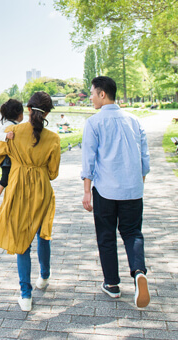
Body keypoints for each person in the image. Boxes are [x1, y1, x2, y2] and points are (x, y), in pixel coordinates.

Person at [81, 76, 150, 308]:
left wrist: (86, 192)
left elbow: (88, 160)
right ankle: (139, 272)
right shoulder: (134, 120)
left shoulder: (94, 123)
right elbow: (145, 159)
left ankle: (112, 284)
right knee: (133, 233)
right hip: (133, 190)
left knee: (106, 236)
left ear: (102, 94)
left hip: (106, 191)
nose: (90, 97)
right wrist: (138, 182)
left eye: (92, 93)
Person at [0, 91, 60, 312]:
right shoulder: (53, 138)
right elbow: (53, 173)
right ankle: (44, 277)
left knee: (22, 242)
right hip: (42, 189)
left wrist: (7, 145)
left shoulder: (12, 132)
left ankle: (25, 296)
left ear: (28, 109)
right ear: (47, 113)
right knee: (42, 234)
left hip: (17, 188)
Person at [0, 99, 24, 214]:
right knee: (4, 180)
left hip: (13, 158)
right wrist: (6, 135)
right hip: (7, 160)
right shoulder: (8, 125)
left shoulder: (17, 125)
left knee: (12, 180)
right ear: (19, 114)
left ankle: (10, 201)